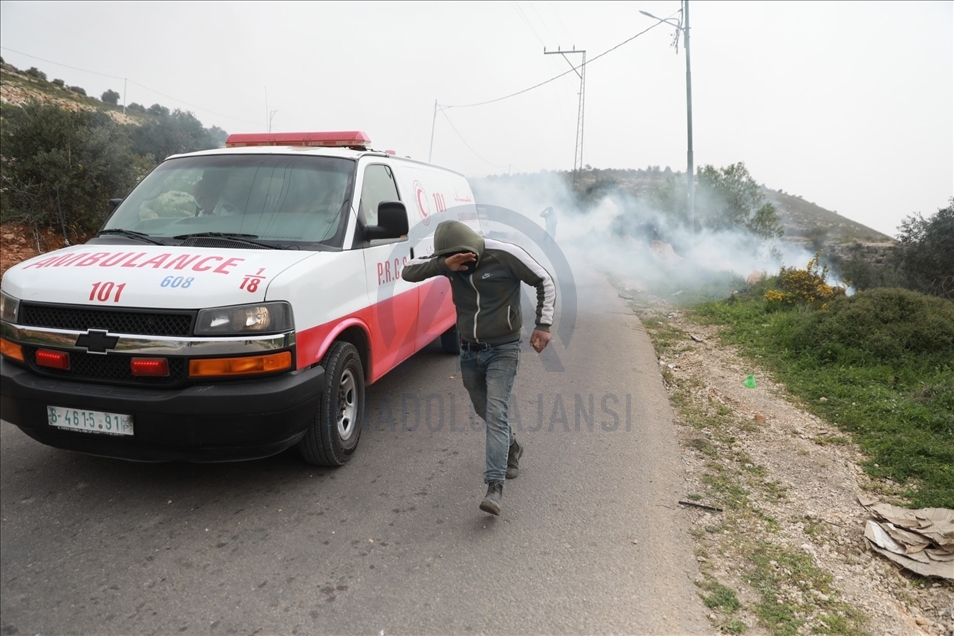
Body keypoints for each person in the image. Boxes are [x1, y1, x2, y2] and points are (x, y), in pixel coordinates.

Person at [402, 220, 556, 516]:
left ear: (473, 251)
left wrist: (543, 324)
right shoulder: (448, 261)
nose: (462, 270)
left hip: (504, 348)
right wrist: (444, 265)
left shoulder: (505, 253)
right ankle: (512, 447)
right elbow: (408, 272)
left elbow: (544, 280)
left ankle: (494, 487)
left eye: (463, 262)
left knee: (496, 412)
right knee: (481, 407)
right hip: (469, 348)